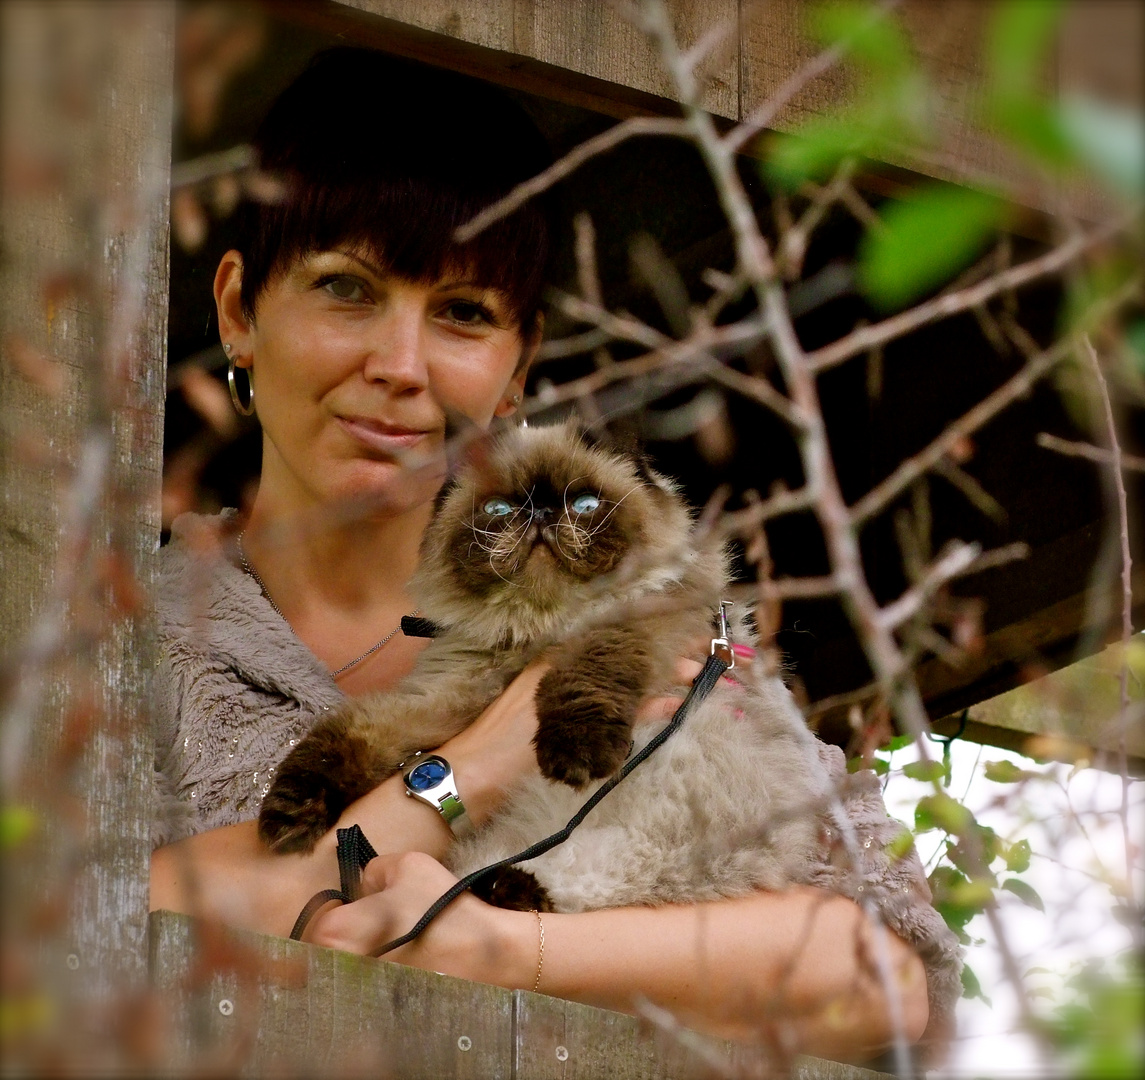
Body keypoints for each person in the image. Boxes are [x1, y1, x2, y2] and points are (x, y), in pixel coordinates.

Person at [149, 48, 959, 1063]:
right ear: (237, 310)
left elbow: (879, 977)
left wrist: (507, 954)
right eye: (346, 288)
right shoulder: (118, 639)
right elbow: (107, 918)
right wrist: (473, 766)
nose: (399, 368)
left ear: (517, 369)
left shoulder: (632, 615)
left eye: (461, 314)